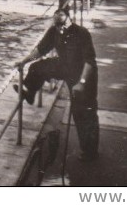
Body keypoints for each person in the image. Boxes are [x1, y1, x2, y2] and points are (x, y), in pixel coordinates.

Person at [18, 9, 99, 161]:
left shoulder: (82, 33)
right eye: (57, 25)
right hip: (65, 66)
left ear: (69, 19)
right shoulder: (54, 31)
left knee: (82, 113)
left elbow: (90, 62)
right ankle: (29, 92)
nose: (60, 28)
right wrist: (23, 61)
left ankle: (90, 152)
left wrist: (81, 84)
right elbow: (40, 50)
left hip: (84, 74)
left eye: (62, 25)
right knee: (37, 67)